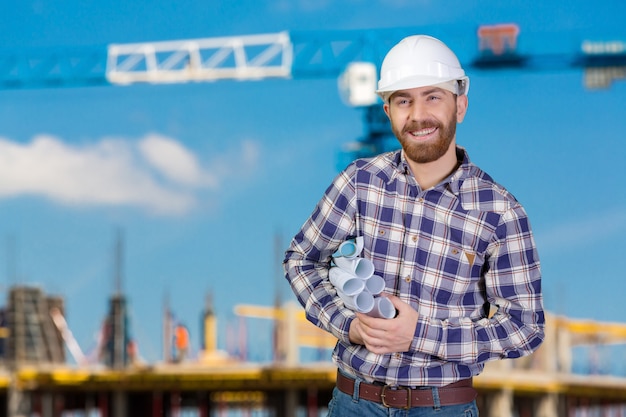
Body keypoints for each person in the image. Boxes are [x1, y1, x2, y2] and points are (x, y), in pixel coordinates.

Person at [283, 34, 545, 416]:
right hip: (354, 404)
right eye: (403, 100)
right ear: (387, 111)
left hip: (444, 407)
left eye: (433, 97)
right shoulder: (360, 182)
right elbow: (301, 260)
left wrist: (419, 334)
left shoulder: (499, 211)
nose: (418, 114)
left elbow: (525, 327)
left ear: (461, 105)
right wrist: (348, 326)